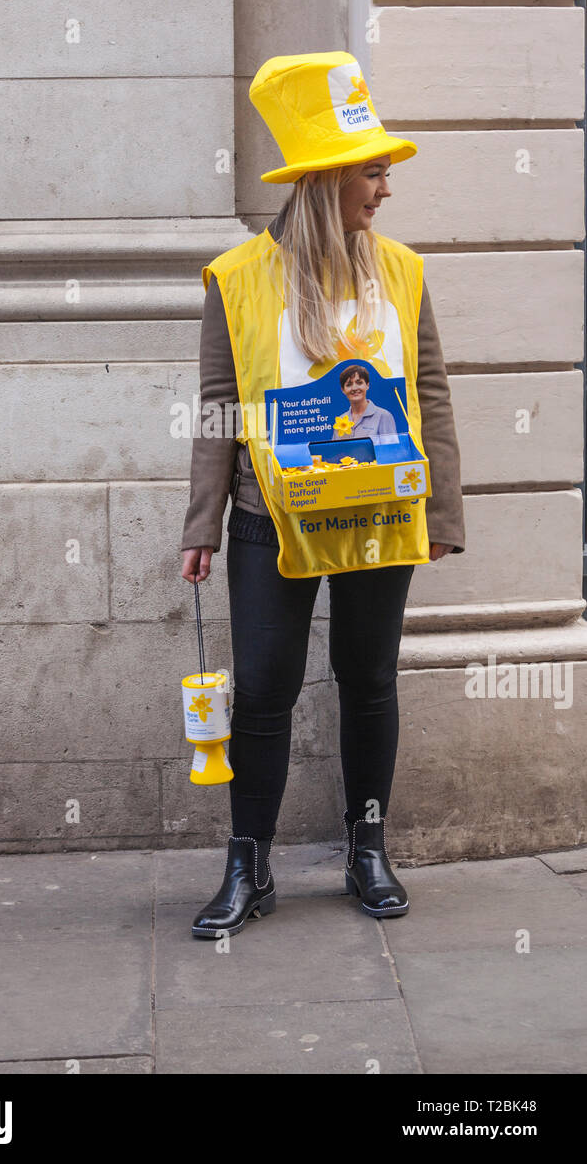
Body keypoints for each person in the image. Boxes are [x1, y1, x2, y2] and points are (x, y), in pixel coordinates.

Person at [180, 51, 465, 937]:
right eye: (373, 171)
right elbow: (221, 409)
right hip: (271, 519)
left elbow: (432, 389)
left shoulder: (404, 271)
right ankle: (249, 865)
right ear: (326, 179)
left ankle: (367, 849)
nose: (385, 188)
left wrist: (443, 511)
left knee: (368, 678)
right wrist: (204, 524)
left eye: (382, 170)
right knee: (264, 688)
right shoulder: (237, 280)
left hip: (383, 515)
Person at [337, 364, 398, 444]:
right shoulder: (340, 421)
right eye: (349, 384)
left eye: (359, 383)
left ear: (367, 385)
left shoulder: (383, 416)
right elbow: (336, 453)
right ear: (343, 390)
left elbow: (391, 451)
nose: (354, 388)